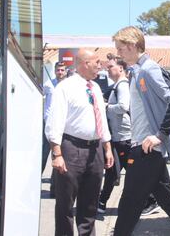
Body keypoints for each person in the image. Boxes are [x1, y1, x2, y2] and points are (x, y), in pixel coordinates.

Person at [112, 26, 170, 236]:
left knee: (129, 205)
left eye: (120, 48)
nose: (118, 53)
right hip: (145, 149)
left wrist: (159, 135)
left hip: (145, 149)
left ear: (132, 46)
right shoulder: (137, 71)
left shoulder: (148, 69)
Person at [45, 48, 114, 236]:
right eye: (97, 62)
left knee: (90, 203)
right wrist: (57, 154)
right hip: (71, 149)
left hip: (95, 151)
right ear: (85, 63)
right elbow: (55, 123)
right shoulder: (65, 88)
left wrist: (107, 148)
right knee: (65, 205)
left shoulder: (96, 88)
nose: (100, 65)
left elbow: (102, 121)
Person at [97, 53, 131, 214]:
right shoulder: (117, 85)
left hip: (123, 138)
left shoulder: (122, 85)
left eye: (110, 66)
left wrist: (106, 107)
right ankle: (102, 202)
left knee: (116, 172)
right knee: (112, 171)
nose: (107, 69)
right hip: (118, 138)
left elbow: (124, 106)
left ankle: (150, 200)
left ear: (121, 68)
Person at [42, 61, 68, 197]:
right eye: (58, 70)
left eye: (62, 70)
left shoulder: (68, 86)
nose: (60, 72)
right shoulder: (48, 84)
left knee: (57, 155)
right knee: (43, 155)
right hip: (47, 124)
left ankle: (55, 188)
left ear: (66, 71)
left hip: (62, 125)